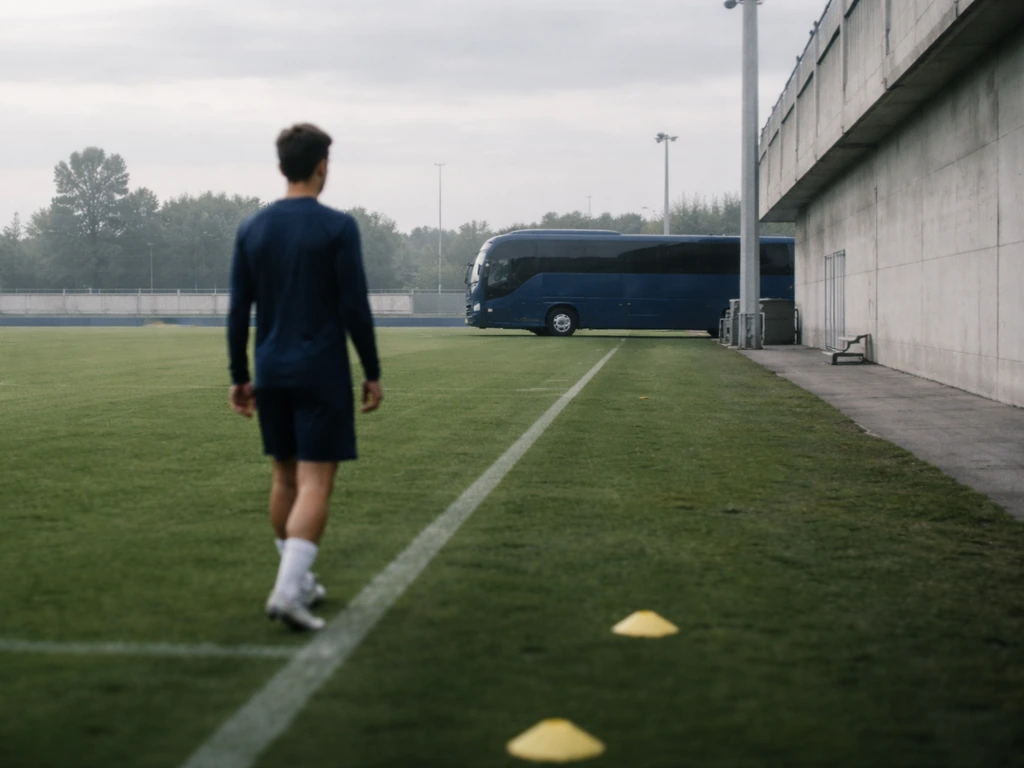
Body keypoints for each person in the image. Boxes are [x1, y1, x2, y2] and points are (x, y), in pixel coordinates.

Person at [226, 123, 383, 631]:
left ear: (281, 167)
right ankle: (287, 592)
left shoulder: (252, 228)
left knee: (283, 478)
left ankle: (300, 582)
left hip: (271, 371)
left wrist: (239, 375)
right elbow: (355, 308)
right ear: (322, 166)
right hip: (321, 372)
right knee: (316, 483)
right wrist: (372, 371)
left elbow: (238, 311)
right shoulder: (338, 228)